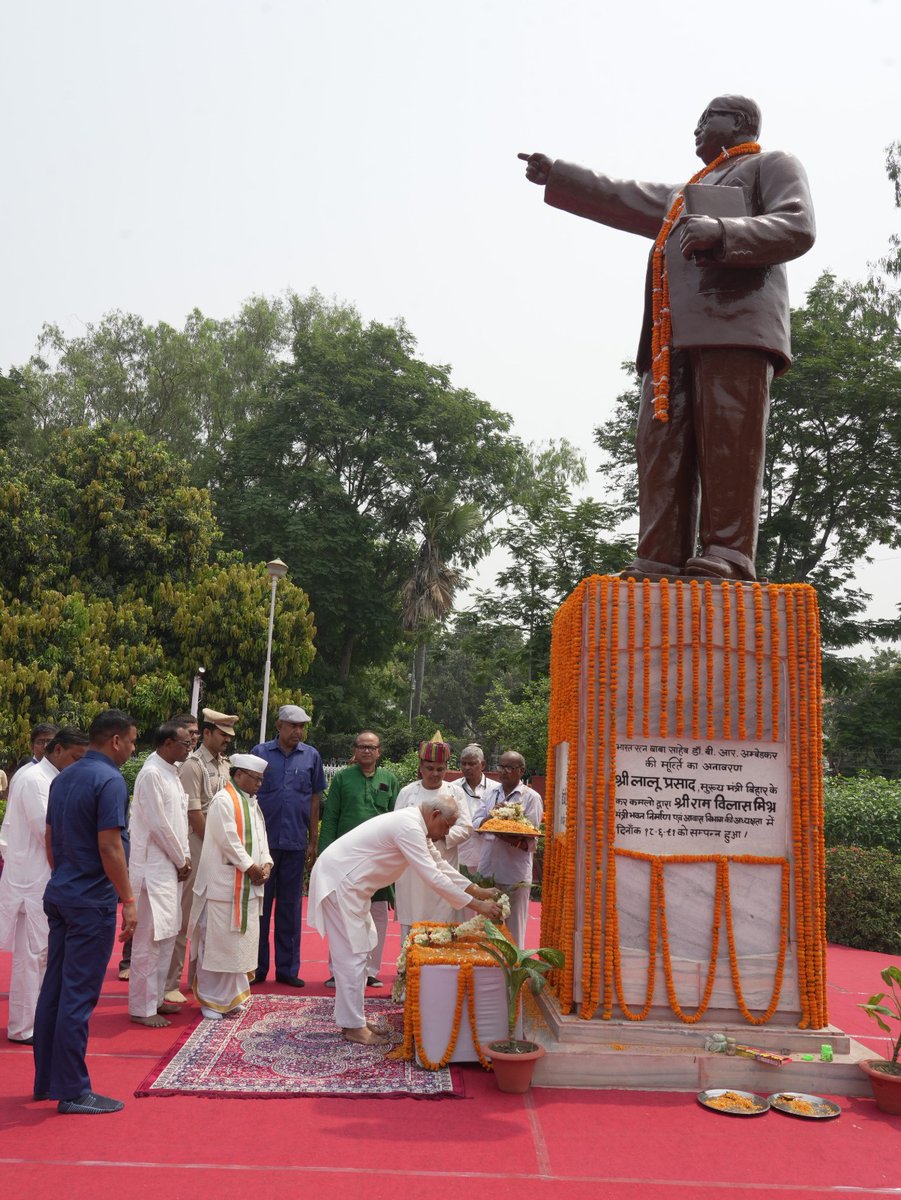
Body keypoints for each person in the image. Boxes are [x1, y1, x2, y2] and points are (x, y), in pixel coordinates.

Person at [520, 95, 815, 582]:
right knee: (660, 445)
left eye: (708, 118)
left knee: (728, 444)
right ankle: (658, 558)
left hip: (736, 325)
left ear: (739, 122)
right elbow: (623, 195)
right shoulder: (686, 192)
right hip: (670, 339)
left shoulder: (771, 165)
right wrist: (559, 175)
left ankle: (728, 553)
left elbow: (797, 225)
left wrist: (722, 231)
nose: (696, 127)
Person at [308, 795, 503, 1045]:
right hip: (340, 882)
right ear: (434, 815)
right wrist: (478, 906)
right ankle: (353, 1025)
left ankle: (353, 1019)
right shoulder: (409, 827)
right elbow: (432, 876)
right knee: (353, 954)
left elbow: (439, 865)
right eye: (446, 826)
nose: (446, 833)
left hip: (351, 886)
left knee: (363, 949)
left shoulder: (418, 827)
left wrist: (476, 891)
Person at [32, 709, 138, 1115]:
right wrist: (128, 901)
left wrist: (64, 878)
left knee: (55, 992)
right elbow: (110, 846)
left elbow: (50, 838)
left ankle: (47, 1080)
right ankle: (73, 1089)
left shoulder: (64, 777)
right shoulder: (109, 779)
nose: (132, 748)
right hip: (89, 901)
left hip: (61, 892)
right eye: (130, 741)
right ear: (114, 741)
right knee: (77, 996)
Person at [0, 728, 89, 1044]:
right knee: (32, 956)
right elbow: (49, 832)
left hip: (43, 878)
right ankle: (23, 1027)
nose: (78, 764)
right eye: (76, 758)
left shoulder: (50, 777)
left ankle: (35, 1021)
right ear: (58, 749)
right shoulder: (35, 779)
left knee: (43, 955)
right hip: (33, 880)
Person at [188, 755, 273, 1020]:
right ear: (238, 775)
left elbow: (261, 838)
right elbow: (228, 840)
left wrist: (267, 863)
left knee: (238, 947)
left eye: (261, 779)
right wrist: (250, 867)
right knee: (217, 946)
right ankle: (212, 1001)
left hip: (249, 886)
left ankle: (230, 998)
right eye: (255, 778)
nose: (259, 784)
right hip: (224, 886)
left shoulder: (252, 803)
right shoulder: (224, 801)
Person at [163, 707, 236, 1002]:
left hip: (216, 848)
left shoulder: (225, 765)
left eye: (229, 736)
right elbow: (194, 813)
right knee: (186, 916)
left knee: (209, 917)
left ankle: (196, 978)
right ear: (206, 733)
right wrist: (216, 847)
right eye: (222, 734)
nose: (226, 740)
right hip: (199, 844)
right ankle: (170, 982)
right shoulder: (194, 765)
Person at [252, 703, 326, 986]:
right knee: (260, 906)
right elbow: (248, 795)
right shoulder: (260, 754)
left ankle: (287, 969)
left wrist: (313, 841)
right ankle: (256, 968)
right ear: (279, 726)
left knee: (290, 908)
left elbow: (314, 799)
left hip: (295, 843)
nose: (298, 731)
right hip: (262, 845)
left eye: (302, 726)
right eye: (293, 726)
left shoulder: (311, 756)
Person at [319, 731, 399, 989]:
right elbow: (330, 817)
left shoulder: (389, 779)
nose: (366, 751)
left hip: (380, 859)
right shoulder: (342, 778)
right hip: (347, 859)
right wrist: (324, 856)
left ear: (379, 751)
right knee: (344, 914)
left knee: (377, 914)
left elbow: (397, 820)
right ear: (354, 749)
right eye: (362, 747)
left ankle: (370, 970)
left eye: (371, 747)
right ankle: (338, 970)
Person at [127, 722, 192, 1028]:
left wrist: (185, 858)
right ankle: (142, 1007)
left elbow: (179, 823)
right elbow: (159, 825)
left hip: (172, 868)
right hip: (155, 867)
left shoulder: (171, 772)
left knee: (167, 935)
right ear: (167, 743)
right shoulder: (152, 773)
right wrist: (181, 859)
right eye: (184, 741)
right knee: (149, 941)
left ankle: (156, 999)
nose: (189, 745)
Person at [394, 734, 473, 939]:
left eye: (440, 769)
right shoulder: (407, 792)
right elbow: (398, 826)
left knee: (444, 920)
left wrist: (441, 837)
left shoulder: (455, 792)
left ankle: (442, 969)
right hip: (412, 869)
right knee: (413, 920)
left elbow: (466, 826)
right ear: (421, 767)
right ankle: (408, 968)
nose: (435, 774)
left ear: (446, 768)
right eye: (430, 768)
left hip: (444, 859)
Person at [472, 751, 543, 948]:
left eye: (509, 768)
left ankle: (512, 975)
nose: (503, 771)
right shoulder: (490, 793)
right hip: (487, 871)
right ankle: (486, 973)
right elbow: (477, 825)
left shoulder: (531, 798)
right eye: (500, 766)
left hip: (515, 875)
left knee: (513, 931)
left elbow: (531, 838)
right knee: (485, 928)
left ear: (521, 771)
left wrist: (505, 828)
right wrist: (494, 817)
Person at [455, 744, 490, 873]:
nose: (466, 768)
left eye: (472, 764)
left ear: (483, 765)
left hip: (487, 857)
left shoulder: (495, 790)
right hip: (459, 856)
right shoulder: (452, 788)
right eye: (463, 763)